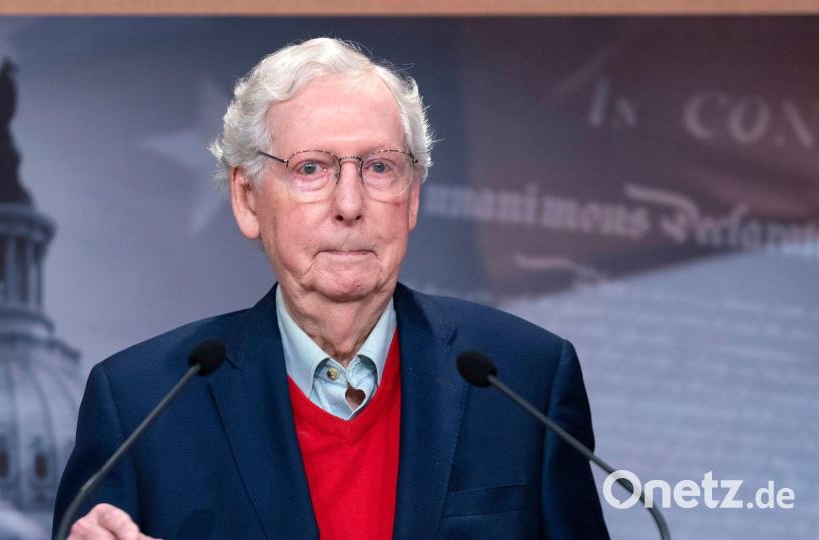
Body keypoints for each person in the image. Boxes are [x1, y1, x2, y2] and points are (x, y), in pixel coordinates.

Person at [54, 37, 610, 540]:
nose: (350, 205)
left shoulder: (521, 379)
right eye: (312, 169)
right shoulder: (142, 406)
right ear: (247, 199)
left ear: (413, 197)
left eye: (379, 168)